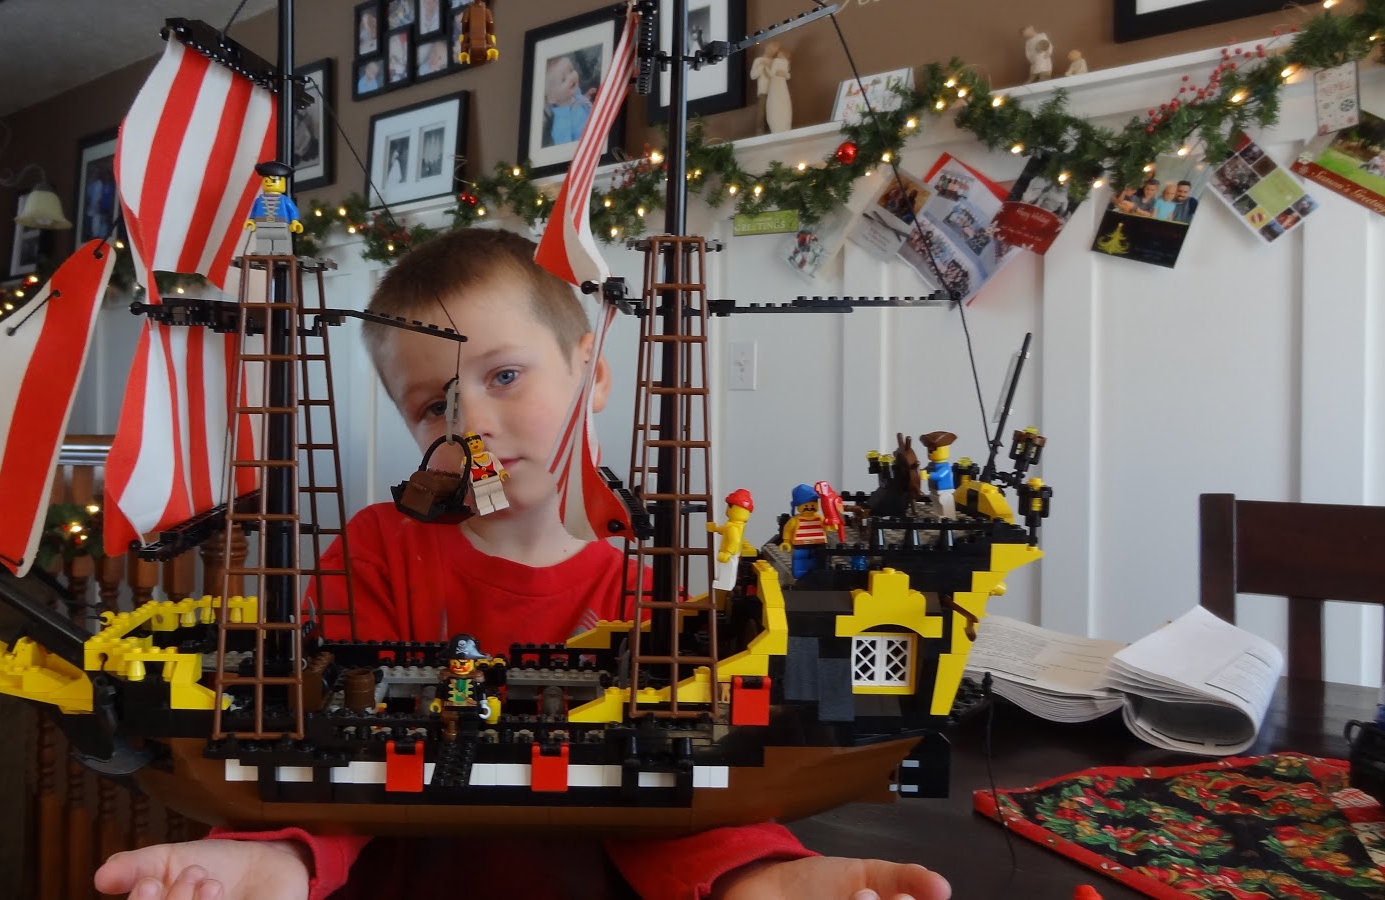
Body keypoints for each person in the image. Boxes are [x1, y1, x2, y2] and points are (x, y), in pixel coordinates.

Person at [93, 228, 953, 900]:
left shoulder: (649, 595)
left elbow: (681, 799)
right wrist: (272, 855)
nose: (471, 425)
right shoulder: (376, 551)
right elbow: (321, 756)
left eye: (503, 375)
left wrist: (761, 875)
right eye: (434, 406)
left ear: (592, 373)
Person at [543, 55, 593, 146]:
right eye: (563, 79)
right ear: (552, 98)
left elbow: (580, 102)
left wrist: (586, 96)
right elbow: (567, 152)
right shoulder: (561, 126)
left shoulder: (574, 92)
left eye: (571, 70)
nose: (571, 77)